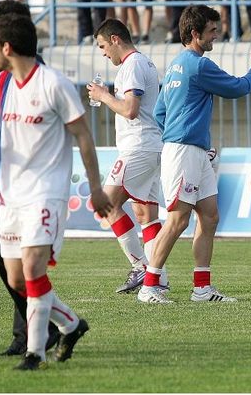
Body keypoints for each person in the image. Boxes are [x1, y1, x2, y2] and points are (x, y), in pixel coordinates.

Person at [0, 13, 112, 370]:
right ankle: (71, 324)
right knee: (18, 277)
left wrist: (95, 188)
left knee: (32, 268)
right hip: (11, 195)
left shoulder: (53, 84)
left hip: (46, 193)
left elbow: (83, 135)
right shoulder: (0, 85)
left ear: (6, 46)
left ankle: (35, 354)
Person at [135, 4, 251, 304]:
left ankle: (201, 288)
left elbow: (160, 112)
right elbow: (239, 88)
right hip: (184, 152)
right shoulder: (199, 64)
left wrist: (189, 137)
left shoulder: (176, 64)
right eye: (212, 30)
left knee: (209, 217)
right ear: (195, 33)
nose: (217, 35)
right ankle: (149, 285)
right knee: (177, 220)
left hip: (192, 150)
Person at [0, 0, 62, 358]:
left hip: (32, 189)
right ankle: (32, 331)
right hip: (9, 182)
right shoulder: (3, 81)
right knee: (11, 259)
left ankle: (41, 329)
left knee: (8, 257)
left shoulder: (39, 79)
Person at [87, 18, 168, 294]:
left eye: (102, 46)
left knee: (105, 204)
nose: (103, 53)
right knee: (146, 214)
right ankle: (159, 278)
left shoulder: (132, 65)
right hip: (151, 145)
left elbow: (130, 109)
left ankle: (140, 267)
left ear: (115, 40)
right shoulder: (143, 62)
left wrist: (104, 95)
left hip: (139, 146)